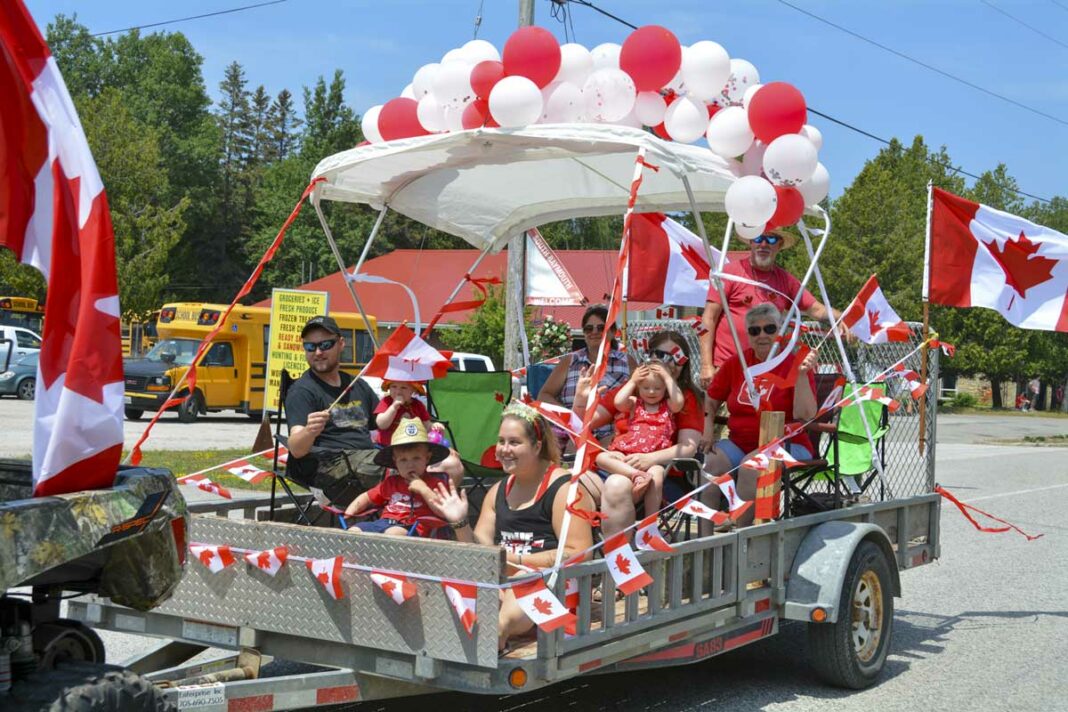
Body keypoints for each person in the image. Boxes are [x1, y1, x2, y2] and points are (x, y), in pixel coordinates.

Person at [427, 404, 593, 652]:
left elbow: (579, 552)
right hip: (503, 583)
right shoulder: (497, 492)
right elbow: (479, 550)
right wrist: (460, 522)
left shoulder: (565, 490)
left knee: (524, 582)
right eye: (501, 441)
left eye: (514, 442)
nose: (504, 450)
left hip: (552, 586)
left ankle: (495, 634)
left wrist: (512, 560)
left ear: (537, 446)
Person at [574, 331, 703, 537]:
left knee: (616, 486)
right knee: (569, 485)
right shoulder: (634, 390)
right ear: (649, 356)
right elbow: (583, 424)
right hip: (617, 463)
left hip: (660, 474)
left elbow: (688, 447)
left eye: (675, 358)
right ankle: (579, 557)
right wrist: (581, 400)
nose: (667, 363)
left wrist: (648, 459)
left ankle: (621, 560)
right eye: (660, 355)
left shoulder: (683, 398)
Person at [701, 304, 817, 528]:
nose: (762, 335)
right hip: (739, 443)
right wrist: (707, 427)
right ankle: (703, 542)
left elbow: (806, 415)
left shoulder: (795, 363)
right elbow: (711, 398)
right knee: (709, 465)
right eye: (754, 330)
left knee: (749, 467)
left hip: (787, 443)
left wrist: (801, 376)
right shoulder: (738, 362)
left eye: (769, 329)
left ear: (779, 332)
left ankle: (741, 540)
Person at [699, 229, 838, 387]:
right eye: (758, 238)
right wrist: (706, 365)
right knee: (717, 412)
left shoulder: (785, 280)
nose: (763, 244)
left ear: (779, 245)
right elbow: (708, 318)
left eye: (771, 240)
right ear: (751, 242)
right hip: (726, 368)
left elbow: (817, 310)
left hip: (765, 371)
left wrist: (845, 318)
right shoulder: (729, 273)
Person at [285, 315, 384, 507]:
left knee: (445, 464)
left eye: (326, 344)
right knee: (404, 469)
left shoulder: (357, 385)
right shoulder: (301, 391)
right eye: (310, 347)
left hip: (367, 460)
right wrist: (309, 432)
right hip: (331, 468)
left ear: (341, 344)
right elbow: (296, 449)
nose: (318, 352)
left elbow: (383, 423)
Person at [594, 363, 685, 521]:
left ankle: (649, 523)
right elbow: (618, 402)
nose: (651, 392)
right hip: (626, 454)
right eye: (646, 387)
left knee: (657, 474)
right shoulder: (634, 403)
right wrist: (632, 381)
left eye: (657, 388)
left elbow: (678, 401)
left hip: (651, 458)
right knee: (601, 457)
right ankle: (635, 475)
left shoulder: (668, 406)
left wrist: (668, 378)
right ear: (639, 387)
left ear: (665, 389)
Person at [536, 304, 634, 445]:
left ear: (613, 332)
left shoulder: (627, 361)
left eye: (601, 328)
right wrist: (569, 417)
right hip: (573, 432)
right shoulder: (569, 361)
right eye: (589, 328)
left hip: (613, 434)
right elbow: (544, 395)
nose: (594, 332)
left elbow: (640, 398)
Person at [344, 418, 452, 536]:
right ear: (395, 462)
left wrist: (424, 489)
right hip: (383, 523)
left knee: (393, 533)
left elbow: (444, 512)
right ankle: (352, 554)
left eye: (416, 458)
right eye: (403, 460)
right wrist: (350, 511)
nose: (410, 464)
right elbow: (367, 497)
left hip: (412, 527)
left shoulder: (436, 483)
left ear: (427, 458)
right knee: (354, 532)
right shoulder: (391, 482)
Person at [373, 378, 442, 446]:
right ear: (389, 388)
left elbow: (426, 425)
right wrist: (393, 407)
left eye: (403, 388)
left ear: (413, 390)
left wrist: (433, 426)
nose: (398, 391)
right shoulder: (386, 402)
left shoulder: (418, 405)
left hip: (410, 447)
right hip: (387, 445)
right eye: (394, 386)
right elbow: (381, 425)